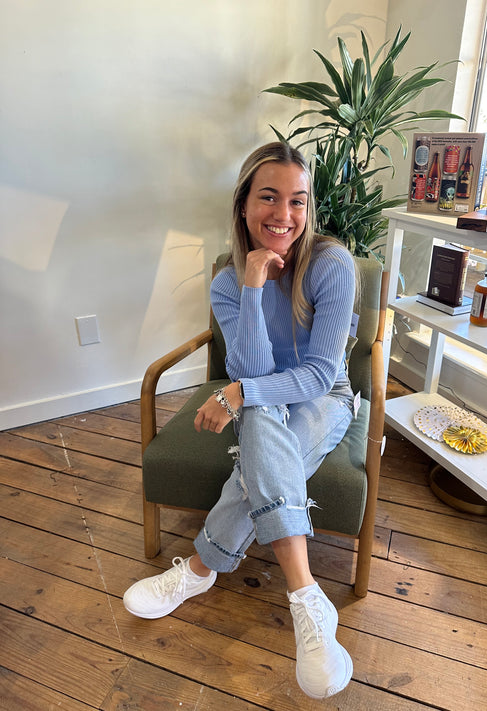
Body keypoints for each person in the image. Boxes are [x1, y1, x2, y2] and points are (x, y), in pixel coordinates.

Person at [123, 142, 358, 700]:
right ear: (244, 205)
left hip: (326, 397)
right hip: (263, 403)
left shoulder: (331, 264)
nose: (284, 215)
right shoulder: (229, 283)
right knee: (260, 419)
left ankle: (200, 570)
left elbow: (321, 375)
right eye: (269, 198)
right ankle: (308, 597)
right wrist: (253, 286)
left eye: (297, 201)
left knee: (258, 428)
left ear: (309, 208)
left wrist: (238, 394)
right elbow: (252, 372)